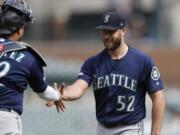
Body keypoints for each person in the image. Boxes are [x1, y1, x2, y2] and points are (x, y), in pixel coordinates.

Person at [51, 11, 165, 135]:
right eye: (104, 31)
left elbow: (158, 98)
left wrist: (155, 132)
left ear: (123, 31)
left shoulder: (142, 61)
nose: (107, 36)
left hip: (129, 127)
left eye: (111, 31)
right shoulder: (93, 63)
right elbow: (78, 87)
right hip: (102, 128)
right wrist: (62, 94)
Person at [0, 0, 62, 134]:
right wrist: (57, 96)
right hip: (5, 120)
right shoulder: (27, 56)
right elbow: (44, 92)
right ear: (18, 28)